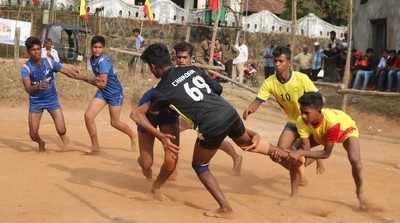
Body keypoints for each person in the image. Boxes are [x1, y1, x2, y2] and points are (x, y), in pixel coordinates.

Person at [138, 43, 289, 218]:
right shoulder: (193, 69)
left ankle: (225, 208)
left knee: (200, 165)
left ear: (153, 67)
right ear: (170, 59)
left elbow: (146, 113)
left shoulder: (161, 90)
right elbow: (218, 89)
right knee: (246, 143)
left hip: (211, 123)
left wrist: (161, 135)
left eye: (149, 68)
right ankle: (288, 155)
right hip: (228, 110)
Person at [131, 42, 243, 189]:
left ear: (191, 58)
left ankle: (157, 186)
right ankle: (146, 165)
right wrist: (160, 136)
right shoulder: (162, 88)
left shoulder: (192, 72)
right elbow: (137, 114)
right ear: (173, 59)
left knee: (181, 154)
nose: (181, 60)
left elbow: (215, 91)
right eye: (179, 57)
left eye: (185, 57)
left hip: (173, 115)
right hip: (154, 116)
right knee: (147, 163)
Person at [243, 46, 323, 196]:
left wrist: (316, 119)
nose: (277, 64)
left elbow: (318, 98)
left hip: (309, 123)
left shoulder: (301, 79)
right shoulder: (270, 82)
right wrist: (250, 109)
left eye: (281, 61)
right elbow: (259, 100)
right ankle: (300, 169)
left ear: (289, 63)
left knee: (301, 153)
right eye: (275, 61)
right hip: (293, 122)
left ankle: (306, 166)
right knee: (279, 153)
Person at [288, 92, 368, 210]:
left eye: (307, 113)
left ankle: (359, 191)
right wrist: (305, 156)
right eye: (301, 111)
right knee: (294, 153)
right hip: (321, 134)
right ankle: (293, 196)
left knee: (355, 160)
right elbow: (306, 147)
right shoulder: (301, 121)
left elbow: (326, 153)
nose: (303, 116)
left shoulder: (332, 122)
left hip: (345, 131)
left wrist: (302, 153)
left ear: (319, 111)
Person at [21, 36, 87, 151]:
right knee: (33, 135)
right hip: (36, 102)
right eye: (33, 50)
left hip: (52, 100)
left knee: (62, 130)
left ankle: (67, 144)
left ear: (41, 49)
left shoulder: (49, 62)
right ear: (28, 52)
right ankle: (41, 143)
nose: (36, 52)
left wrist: (86, 78)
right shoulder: (26, 68)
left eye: (38, 49)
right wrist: (37, 86)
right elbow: (28, 88)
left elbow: (65, 70)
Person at [84, 35, 136, 154]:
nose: (97, 49)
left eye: (100, 47)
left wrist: (84, 78)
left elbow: (102, 83)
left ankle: (133, 135)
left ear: (103, 48)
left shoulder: (103, 62)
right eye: (95, 47)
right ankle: (95, 146)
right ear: (91, 47)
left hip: (114, 93)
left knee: (115, 122)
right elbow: (100, 84)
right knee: (88, 116)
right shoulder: (92, 59)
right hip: (103, 92)